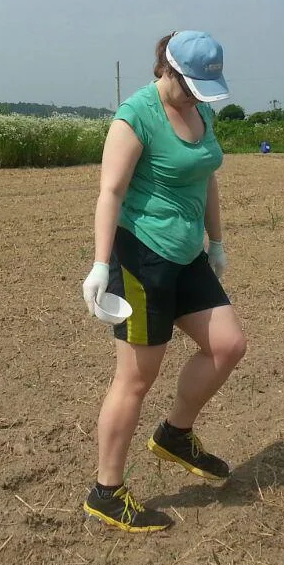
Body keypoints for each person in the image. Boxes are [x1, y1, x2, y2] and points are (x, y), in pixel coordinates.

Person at [81, 31, 247, 532]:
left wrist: (215, 241)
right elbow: (110, 191)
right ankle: (106, 491)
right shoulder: (137, 115)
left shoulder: (203, 111)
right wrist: (100, 263)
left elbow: (207, 176)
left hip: (187, 253)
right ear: (168, 70)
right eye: (191, 84)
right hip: (141, 257)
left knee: (228, 345)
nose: (199, 94)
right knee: (135, 379)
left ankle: (175, 435)